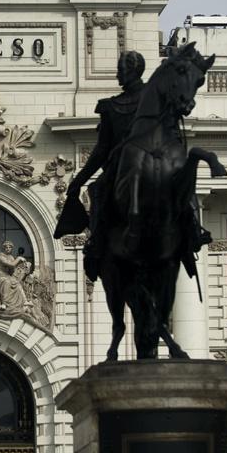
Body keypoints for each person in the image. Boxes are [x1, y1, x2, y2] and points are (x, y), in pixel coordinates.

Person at [59, 51, 147, 281]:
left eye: (120, 69)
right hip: (151, 166)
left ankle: (95, 245)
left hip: (124, 170)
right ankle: (194, 232)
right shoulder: (153, 98)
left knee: (96, 191)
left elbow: (100, 151)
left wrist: (78, 181)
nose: (117, 74)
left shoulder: (113, 107)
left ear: (129, 72)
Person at [0, 240, 30, 316]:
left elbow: (12, 270)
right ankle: (4, 303)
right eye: (6, 247)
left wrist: (21, 269)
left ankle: (25, 301)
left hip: (7, 275)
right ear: (3, 248)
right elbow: (11, 264)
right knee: (7, 282)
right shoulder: (0, 256)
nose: (8, 248)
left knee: (16, 282)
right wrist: (19, 258)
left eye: (10, 247)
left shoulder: (11, 257)